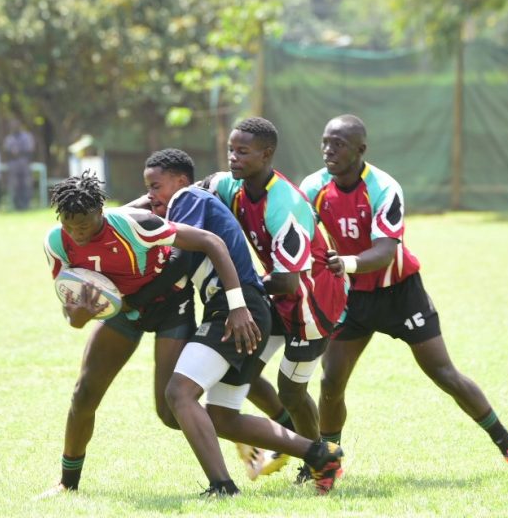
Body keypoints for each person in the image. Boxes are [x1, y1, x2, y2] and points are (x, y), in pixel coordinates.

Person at [299, 114, 508, 478]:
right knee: (331, 382)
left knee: (443, 373)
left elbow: (385, 251)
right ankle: (328, 462)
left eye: (339, 144)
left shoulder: (383, 187)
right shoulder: (314, 187)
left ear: (361, 150)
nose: (329, 150)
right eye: (325, 141)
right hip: (352, 296)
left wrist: (343, 262)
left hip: (400, 293)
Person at [135, 148, 344, 497]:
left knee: (179, 392)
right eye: (147, 189)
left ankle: (222, 486)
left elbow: (178, 261)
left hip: (236, 310)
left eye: (156, 186)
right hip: (247, 308)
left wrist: (133, 295)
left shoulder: (188, 199)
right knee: (223, 417)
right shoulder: (192, 198)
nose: (150, 196)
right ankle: (321, 454)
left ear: (181, 182)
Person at [39, 171, 261, 498]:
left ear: (100, 211)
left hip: (170, 307)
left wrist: (237, 305)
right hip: (121, 313)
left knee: (171, 410)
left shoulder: (136, 225)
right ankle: (66, 484)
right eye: (69, 225)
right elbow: (73, 315)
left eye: (84, 224)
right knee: (84, 394)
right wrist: (80, 315)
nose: (77, 232)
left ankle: (248, 438)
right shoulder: (57, 242)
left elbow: (211, 242)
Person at [203, 118, 348, 483]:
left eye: (243, 151)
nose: (233, 157)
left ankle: (319, 462)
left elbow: (286, 281)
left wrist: (237, 290)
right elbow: (193, 191)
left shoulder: (284, 203)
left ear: (267, 154)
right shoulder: (231, 184)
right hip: (277, 296)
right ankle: (290, 443)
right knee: (241, 365)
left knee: (292, 391)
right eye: (231, 150)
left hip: (311, 304)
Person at [3, 119, 36, 210]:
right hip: (13, 165)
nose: (14, 128)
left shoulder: (26, 136)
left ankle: (26, 205)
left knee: (26, 184)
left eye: (16, 126)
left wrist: (19, 152)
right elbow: (6, 151)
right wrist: (12, 153)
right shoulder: (9, 138)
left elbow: (30, 150)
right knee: (15, 185)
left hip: (24, 163)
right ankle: (17, 206)